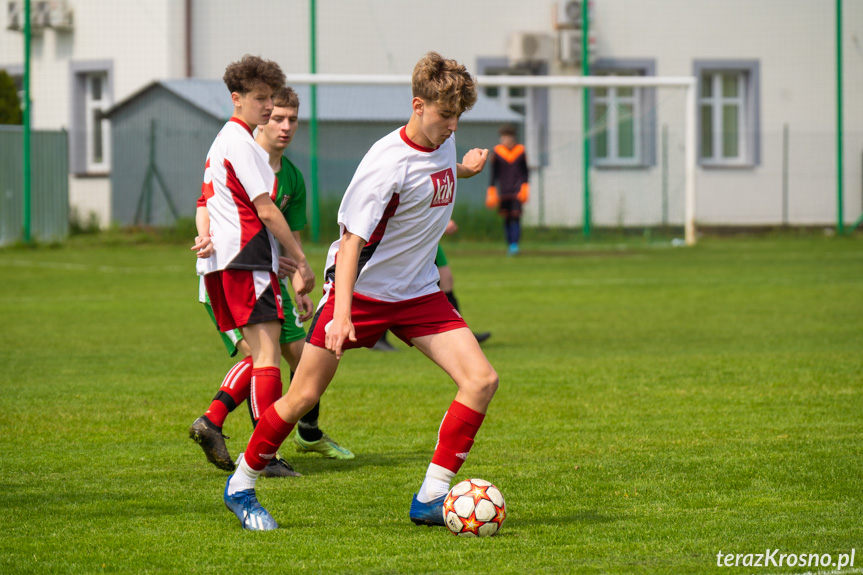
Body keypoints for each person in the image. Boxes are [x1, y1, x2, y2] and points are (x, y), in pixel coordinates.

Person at [222, 51, 498, 531]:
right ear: (417, 106)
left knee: (481, 380)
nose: (453, 127)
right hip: (363, 293)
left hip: (417, 293)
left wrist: (465, 172)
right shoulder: (384, 164)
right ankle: (241, 486)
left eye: (458, 117)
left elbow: (430, 176)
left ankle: (431, 497)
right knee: (303, 395)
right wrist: (343, 314)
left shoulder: (444, 142)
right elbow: (351, 244)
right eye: (445, 116)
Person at [190, 86, 354, 477]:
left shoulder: (290, 177)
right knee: (262, 357)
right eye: (275, 115)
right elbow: (211, 203)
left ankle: (297, 434)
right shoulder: (243, 148)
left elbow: (288, 233)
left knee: (296, 355)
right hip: (239, 266)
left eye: (291, 119)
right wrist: (206, 234)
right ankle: (259, 451)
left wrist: (297, 274)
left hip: (260, 268)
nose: (283, 125)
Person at [372, 220, 489, 352]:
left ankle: (461, 332)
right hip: (412, 237)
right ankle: (379, 338)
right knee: (398, 284)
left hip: (430, 238)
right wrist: (440, 223)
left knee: (447, 281)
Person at [486, 124, 529, 255]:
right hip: (504, 191)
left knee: (515, 217)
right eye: (503, 137)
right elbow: (494, 173)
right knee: (506, 219)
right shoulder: (497, 152)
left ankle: (515, 245)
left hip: (517, 191)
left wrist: (525, 186)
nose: (505, 140)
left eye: (508, 137)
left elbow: (525, 171)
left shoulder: (520, 151)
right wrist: (492, 189)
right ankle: (509, 244)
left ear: (513, 138)